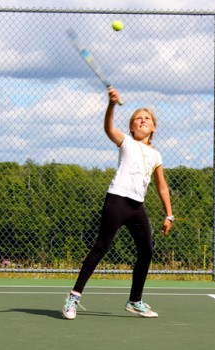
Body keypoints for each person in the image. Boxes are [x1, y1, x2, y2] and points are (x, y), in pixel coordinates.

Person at [62, 88, 174, 319]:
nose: (142, 121)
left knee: (146, 251)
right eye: (137, 119)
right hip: (117, 200)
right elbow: (109, 128)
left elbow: (162, 186)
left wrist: (169, 214)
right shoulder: (126, 142)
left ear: (154, 128)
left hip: (137, 207)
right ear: (132, 127)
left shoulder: (156, 155)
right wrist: (111, 104)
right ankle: (73, 297)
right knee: (101, 246)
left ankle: (135, 300)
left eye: (147, 119)